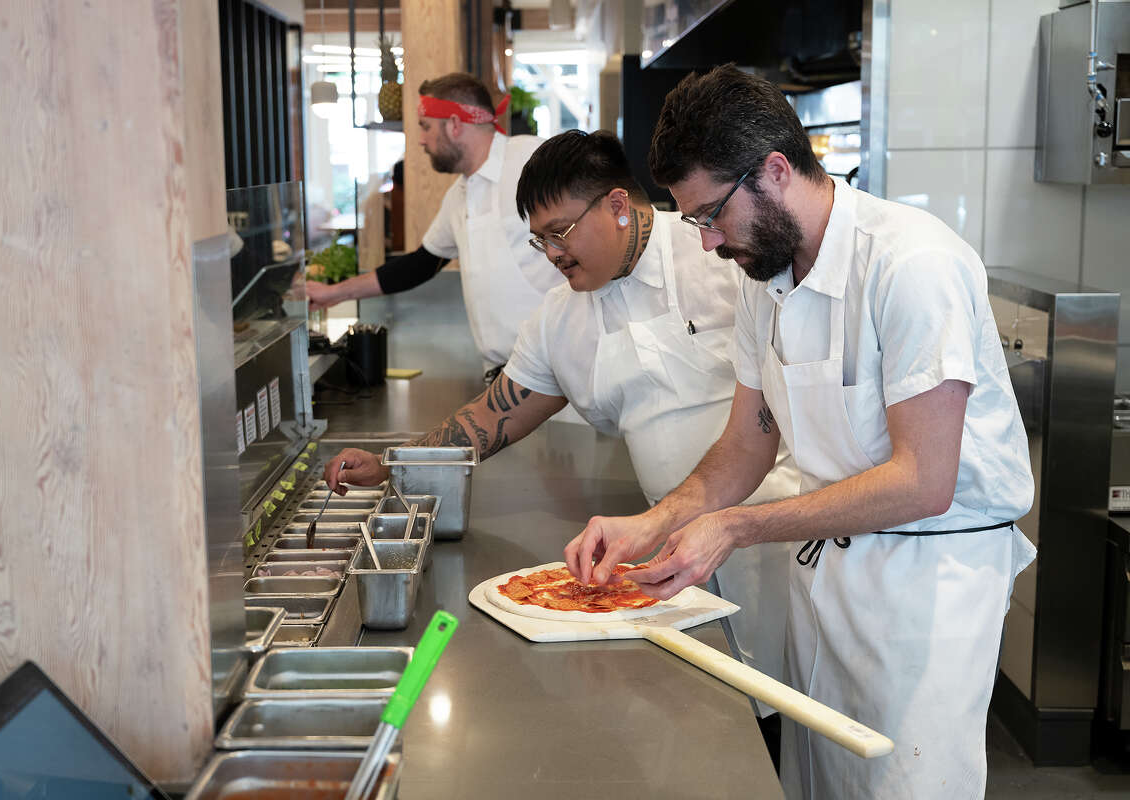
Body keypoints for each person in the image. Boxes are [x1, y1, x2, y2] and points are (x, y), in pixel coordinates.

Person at [564, 65, 1036, 799]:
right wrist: (648, 525)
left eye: (712, 215)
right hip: (826, 582)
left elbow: (923, 480)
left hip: (925, 595)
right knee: (817, 782)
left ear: (775, 171)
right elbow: (744, 448)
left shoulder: (912, 264)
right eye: (694, 222)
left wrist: (737, 528)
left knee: (904, 784)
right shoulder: (767, 280)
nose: (709, 243)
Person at [325, 129, 799, 699]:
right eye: (539, 240)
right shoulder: (559, 319)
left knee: (786, 707)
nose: (552, 254)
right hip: (659, 543)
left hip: (775, 539)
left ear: (619, 206)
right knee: (715, 707)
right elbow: (491, 417)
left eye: (560, 232)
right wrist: (389, 464)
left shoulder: (718, 256)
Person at [306, 72, 564, 382]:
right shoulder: (458, 196)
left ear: (455, 124)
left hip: (560, 369)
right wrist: (333, 293)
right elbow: (420, 265)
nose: (421, 140)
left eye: (425, 126)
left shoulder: (532, 159)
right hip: (504, 376)